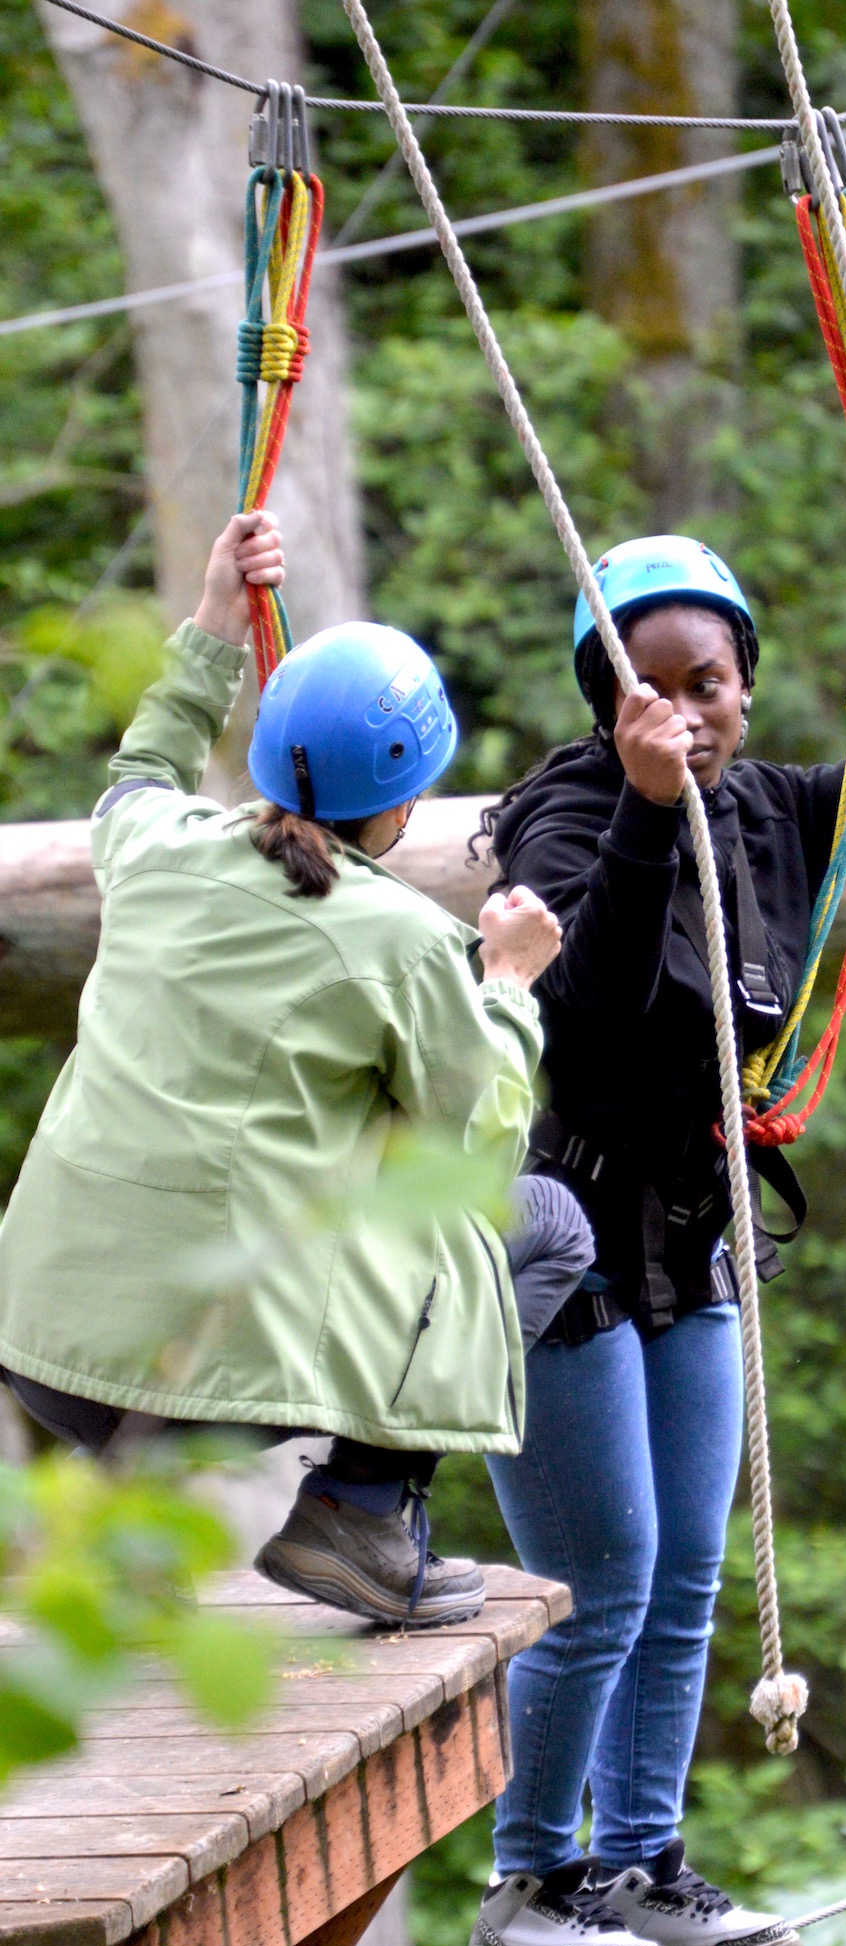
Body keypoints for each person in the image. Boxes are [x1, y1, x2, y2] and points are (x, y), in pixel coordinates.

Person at [469, 462, 846, 1946]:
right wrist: (638, 808)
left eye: (714, 683)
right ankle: (526, 1887)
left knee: (688, 1562)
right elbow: (581, 1013)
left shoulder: (768, 812)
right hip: (557, 1237)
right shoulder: (561, 818)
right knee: (603, 1574)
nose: (689, 713)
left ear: (750, 689)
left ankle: (639, 1860)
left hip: (688, 1237)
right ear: (608, 699)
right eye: (655, 687)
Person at [0, 509, 593, 1632]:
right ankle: (362, 1512)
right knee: (544, 1223)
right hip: (195, 1382)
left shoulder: (155, 848)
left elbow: (140, 770)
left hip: (44, 1347)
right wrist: (511, 982)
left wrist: (216, 617)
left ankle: (128, 1520)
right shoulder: (404, 940)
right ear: (408, 795)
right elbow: (483, 1146)